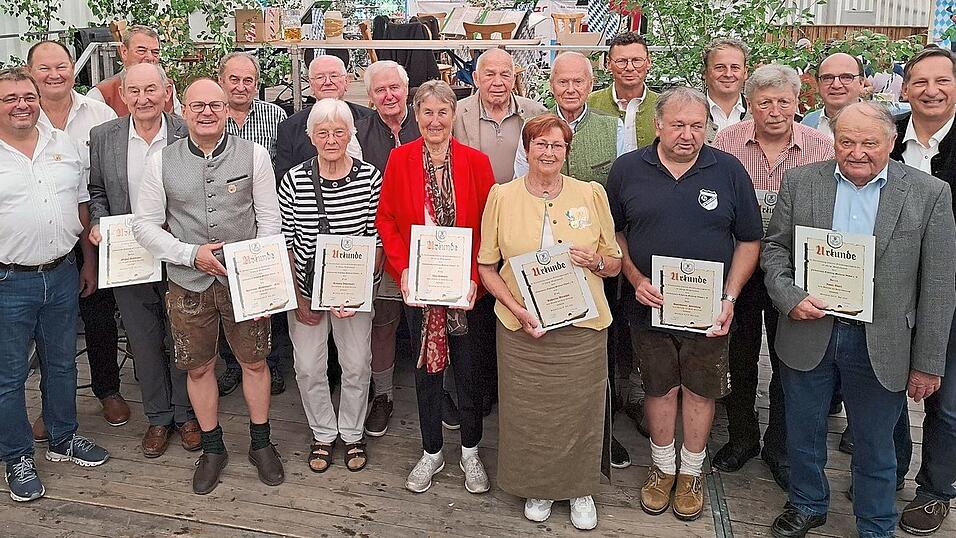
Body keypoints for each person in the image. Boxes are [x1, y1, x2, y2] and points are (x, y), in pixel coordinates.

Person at [762, 101, 956, 538]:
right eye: (846, 141)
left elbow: (940, 284)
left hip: (882, 342)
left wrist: (928, 362)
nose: (857, 151)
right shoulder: (801, 182)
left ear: (891, 142)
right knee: (804, 432)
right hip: (810, 331)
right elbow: (775, 249)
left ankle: (875, 523)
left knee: (876, 443)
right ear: (833, 140)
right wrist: (790, 296)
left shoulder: (928, 193)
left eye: (870, 142)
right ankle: (808, 503)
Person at [607, 86, 763, 521]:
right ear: (658, 125)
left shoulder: (729, 171)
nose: (688, 135)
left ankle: (691, 472)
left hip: (709, 309)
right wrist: (634, 278)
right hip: (648, 305)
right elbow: (615, 234)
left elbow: (750, 240)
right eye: (678, 125)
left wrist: (729, 296)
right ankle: (661, 469)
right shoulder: (627, 170)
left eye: (698, 126)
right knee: (659, 386)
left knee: (699, 387)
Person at [132, 79, 284, 495]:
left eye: (214, 105)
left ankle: (260, 441)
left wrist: (260, 278)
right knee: (198, 367)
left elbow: (270, 220)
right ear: (181, 107)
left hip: (244, 282)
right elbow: (143, 225)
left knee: (254, 362)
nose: (206, 113)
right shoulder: (161, 162)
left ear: (225, 109)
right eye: (197, 105)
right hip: (188, 282)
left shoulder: (253, 154)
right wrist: (189, 254)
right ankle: (213, 447)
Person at [478, 113, 623, 530]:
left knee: (580, 410)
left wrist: (594, 260)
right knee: (529, 413)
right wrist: (518, 310)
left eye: (557, 145)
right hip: (523, 328)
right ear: (527, 150)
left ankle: (579, 489)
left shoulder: (591, 194)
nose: (548, 152)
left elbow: (614, 261)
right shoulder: (502, 197)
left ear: (566, 152)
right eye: (540, 144)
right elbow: (488, 266)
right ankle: (539, 486)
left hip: (582, 327)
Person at [710, 64, 834, 490]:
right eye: (764, 103)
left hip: (796, 273)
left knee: (790, 361)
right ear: (750, 105)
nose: (775, 111)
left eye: (784, 102)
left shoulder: (822, 146)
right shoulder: (726, 142)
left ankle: (780, 446)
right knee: (739, 357)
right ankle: (743, 436)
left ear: (799, 104)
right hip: (740, 268)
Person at [511, 51, 633, 469]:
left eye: (578, 82)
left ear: (590, 81)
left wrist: (604, 255)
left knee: (599, 359)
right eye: (562, 82)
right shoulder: (536, 128)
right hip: (542, 273)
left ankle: (602, 437)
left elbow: (623, 186)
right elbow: (517, 188)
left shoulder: (611, 127)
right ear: (552, 84)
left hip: (595, 258)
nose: (570, 89)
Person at [376, 80, 495, 495]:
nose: (435, 120)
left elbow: (486, 227)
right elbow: (387, 219)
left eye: (443, 112)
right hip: (420, 288)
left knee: (468, 371)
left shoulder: (476, 163)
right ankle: (431, 452)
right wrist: (403, 269)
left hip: (463, 290)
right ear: (417, 115)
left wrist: (475, 279)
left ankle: (470, 451)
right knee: (427, 373)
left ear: (454, 115)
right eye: (426, 112)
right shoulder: (399, 160)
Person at [0, 67, 110, 503]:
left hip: (63, 272)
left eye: (28, 96)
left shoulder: (61, 145)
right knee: (9, 377)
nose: (22, 104)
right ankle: (18, 455)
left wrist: (86, 262)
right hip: (9, 279)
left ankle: (64, 437)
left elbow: (82, 207)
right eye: (10, 98)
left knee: (63, 365)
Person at [87, 62, 200, 458]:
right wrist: (99, 222)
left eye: (151, 89)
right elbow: (97, 190)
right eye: (133, 91)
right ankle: (157, 416)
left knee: (181, 336)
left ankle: (186, 414)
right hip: (128, 256)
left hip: (180, 253)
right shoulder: (104, 137)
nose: (143, 99)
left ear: (167, 91)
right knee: (143, 338)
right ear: (122, 95)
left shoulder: (187, 132)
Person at [25, 40, 129, 438]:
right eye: (45, 68)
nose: (54, 74)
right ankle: (54, 406)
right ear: (31, 71)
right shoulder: (20, 116)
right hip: (41, 238)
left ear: (73, 67)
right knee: (51, 331)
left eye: (62, 66)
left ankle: (108, 389)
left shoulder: (98, 113)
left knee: (99, 315)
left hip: (93, 229)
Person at [279, 98, 382, 473]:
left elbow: (377, 242)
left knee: (356, 364)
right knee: (307, 366)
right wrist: (298, 299)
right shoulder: (293, 181)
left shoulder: (371, 178)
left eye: (339, 131)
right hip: (307, 289)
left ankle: (352, 432)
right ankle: (323, 432)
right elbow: (288, 244)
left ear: (351, 134)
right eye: (322, 132)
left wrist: (358, 292)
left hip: (354, 293)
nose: (331, 139)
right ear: (310, 137)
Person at [890, 46, 956, 536]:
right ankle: (888, 471)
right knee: (884, 388)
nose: (932, 91)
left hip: (952, 293)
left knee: (948, 401)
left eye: (944, 81)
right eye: (922, 82)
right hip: (892, 291)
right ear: (906, 88)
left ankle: (935, 489)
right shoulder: (886, 137)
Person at [216, 51, 290, 397]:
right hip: (224, 220)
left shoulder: (275, 115)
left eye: (248, 80)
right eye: (234, 79)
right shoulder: (210, 116)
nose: (241, 86)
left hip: (266, 217)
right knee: (226, 295)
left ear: (257, 84)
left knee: (266, 293)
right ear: (221, 81)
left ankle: (272, 363)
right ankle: (233, 365)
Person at [353, 60, 421, 437]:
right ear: (370, 97)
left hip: (429, 246)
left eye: (394, 87)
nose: (389, 95)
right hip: (382, 245)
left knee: (433, 322)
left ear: (406, 89)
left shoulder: (427, 122)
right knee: (384, 323)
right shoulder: (360, 134)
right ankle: (383, 395)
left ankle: (438, 390)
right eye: (380, 90)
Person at [452, 48, 547, 184]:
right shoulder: (456, 114)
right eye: (490, 74)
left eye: (505, 75)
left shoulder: (536, 114)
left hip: (521, 200)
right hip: (475, 200)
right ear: (476, 78)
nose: (498, 82)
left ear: (514, 79)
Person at [275, 55, 373, 182]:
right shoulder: (290, 128)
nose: (327, 82)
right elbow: (283, 179)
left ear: (346, 81)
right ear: (310, 85)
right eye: (320, 77)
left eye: (334, 76)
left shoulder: (370, 120)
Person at [588, 32, 659, 153]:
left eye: (637, 60)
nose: (630, 67)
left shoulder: (663, 106)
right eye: (621, 61)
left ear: (648, 63)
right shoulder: (589, 104)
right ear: (608, 64)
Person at [87, 25, 182, 116]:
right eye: (141, 51)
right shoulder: (102, 93)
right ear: (124, 52)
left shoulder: (167, 86)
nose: (149, 57)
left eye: (155, 52)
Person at [801, 53, 867, 139]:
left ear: (861, 83)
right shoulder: (808, 123)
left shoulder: (878, 123)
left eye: (846, 77)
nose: (836, 85)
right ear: (817, 84)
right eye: (828, 78)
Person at [703, 38, 750, 142]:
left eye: (735, 67)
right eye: (720, 67)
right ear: (705, 73)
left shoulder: (758, 113)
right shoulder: (689, 112)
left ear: (745, 73)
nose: (728, 74)